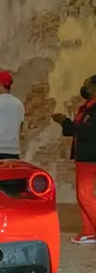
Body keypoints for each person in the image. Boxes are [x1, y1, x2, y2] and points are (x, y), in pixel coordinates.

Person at [52, 75, 96, 244]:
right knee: (83, 196)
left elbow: (85, 131)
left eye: (86, 86)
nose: (83, 89)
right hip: (83, 156)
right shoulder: (86, 108)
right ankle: (89, 231)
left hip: (91, 157)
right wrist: (65, 123)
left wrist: (65, 121)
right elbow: (74, 130)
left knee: (84, 196)